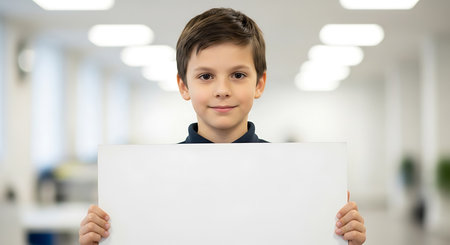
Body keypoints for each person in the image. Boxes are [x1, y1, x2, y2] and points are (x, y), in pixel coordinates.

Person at [79, 8, 366, 245]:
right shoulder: (150, 178)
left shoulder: (297, 175)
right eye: (205, 76)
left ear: (259, 83)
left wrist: (344, 238)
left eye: (238, 75)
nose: (222, 89)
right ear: (183, 85)